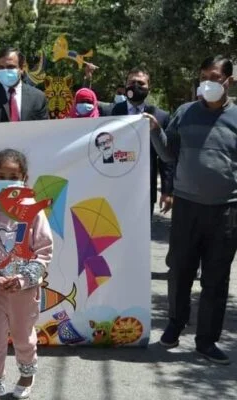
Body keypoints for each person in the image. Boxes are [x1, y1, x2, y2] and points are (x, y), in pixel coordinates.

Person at [147, 55, 237, 365]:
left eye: (215, 77)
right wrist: (155, 131)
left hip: (226, 211)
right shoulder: (184, 113)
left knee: (216, 278)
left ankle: (206, 341)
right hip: (187, 206)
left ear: (229, 80)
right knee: (179, 270)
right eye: (203, 77)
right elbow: (169, 154)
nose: (208, 83)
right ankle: (175, 324)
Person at [0, 149, 53, 399]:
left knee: (23, 338)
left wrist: (23, 279)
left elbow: (44, 250)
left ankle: (27, 374)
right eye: (1, 176)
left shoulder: (34, 212)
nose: (7, 181)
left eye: (13, 177)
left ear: (24, 179)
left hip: (24, 294)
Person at [112, 67, 173, 216]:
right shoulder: (110, 113)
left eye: (141, 83)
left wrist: (167, 191)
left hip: (144, 190)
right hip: (113, 187)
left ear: (149, 88)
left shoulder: (161, 117)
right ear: (125, 85)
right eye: (131, 82)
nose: (135, 86)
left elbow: (166, 158)